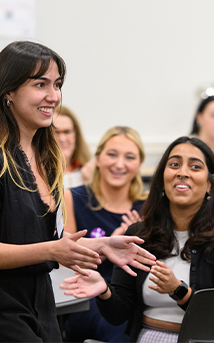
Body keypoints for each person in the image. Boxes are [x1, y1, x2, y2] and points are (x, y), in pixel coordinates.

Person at [0, 41, 156, 343]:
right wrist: (53, 250)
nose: (53, 96)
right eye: (40, 84)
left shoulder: (46, 155)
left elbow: (33, 239)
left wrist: (100, 245)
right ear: (8, 91)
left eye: (57, 85)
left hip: (37, 295)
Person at [61, 136, 214, 343]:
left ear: (211, 183)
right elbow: (118, 314)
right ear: (163, 178)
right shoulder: (139, 235)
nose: (182, 173)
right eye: (174, 165)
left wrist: (179, 291)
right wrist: (104, 290)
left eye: (195, 167)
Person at [63, 126, 148, 343]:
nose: (119, 164)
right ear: (98, 159)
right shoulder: (73, 198)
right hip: (88, 295)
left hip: (133, 298)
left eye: (129, 157)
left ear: (139, 164)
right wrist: (112, 240)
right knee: (122, 329)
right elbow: (67, 259)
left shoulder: (148, 207)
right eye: (112, 154)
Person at [53, 106, 93, 188]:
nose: (62, 139)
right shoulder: (36, 175)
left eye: (67, 132)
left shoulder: (89, 171)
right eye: (56, 132)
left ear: (75, 134)